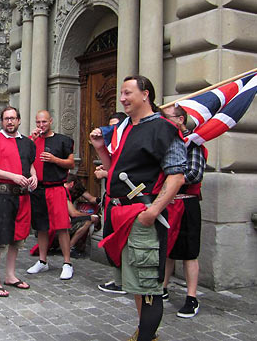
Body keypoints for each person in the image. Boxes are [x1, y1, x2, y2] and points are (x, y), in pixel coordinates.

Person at [90, 75, 186, 341]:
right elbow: (114, 171)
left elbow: (177, 175)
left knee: (148, 285)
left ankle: (146, 337)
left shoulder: (164, 128)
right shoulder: (126, 128)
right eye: (121, 93)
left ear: (146, 94)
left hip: (141, 215)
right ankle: (145, 334)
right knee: (135, 283)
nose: (122, 98)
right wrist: (101, 148)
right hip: (121, 214)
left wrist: (152, 212)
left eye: (128, 93)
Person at [0, 106, 37, 297]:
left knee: (17, 238)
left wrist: (34, 176)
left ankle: (10, 275)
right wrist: (12, 176)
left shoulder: (28, 143)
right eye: (6, 118)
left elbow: (30, 166)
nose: (10, 122)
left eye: (13, 118)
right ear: (2, 121)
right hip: (2, 196)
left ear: (19, 120)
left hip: (22, 197)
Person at [161, 105, 207, 318]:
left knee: (189, 252)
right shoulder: (166, 141)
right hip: (167, 203)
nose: (163, 121)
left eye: (167, 117)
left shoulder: (193, 142)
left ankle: (191, 297)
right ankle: (163, 288)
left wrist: (169, 182)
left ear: (180, 119)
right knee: (167, 248)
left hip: (186, 202)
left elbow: (194, 173)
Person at [26, 110, 76, 280]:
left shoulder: (63, 140)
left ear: (51, 121)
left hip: (56, 187)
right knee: (41, 227)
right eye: (38, 122)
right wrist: (30, 140)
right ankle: (42, 260)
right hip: (38, 188)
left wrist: (55, 160)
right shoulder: (32, 141)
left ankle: (67, 263)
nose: (41, 126)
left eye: (44, 122)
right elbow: (22, 157)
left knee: (62, 226)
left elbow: (71, 163)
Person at [96, 112, 128, 295]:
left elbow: (128, 174)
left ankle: (126, 282)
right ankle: (119, 280)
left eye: (115, 127)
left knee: (123, 242)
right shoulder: (112, 145)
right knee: (111, 240)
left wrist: (106, 174)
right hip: (111, 200)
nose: (111, 131)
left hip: (126, 203)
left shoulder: (128, 146)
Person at [63, 174, 100, 258]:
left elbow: (91, 198)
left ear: (71, 184)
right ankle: (69, 248)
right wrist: (91, 216)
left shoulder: (77, 188)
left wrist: (100, 200)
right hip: (59, 228)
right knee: (88, 220)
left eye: (65, 183)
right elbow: (74, 213)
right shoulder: (63, 191)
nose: (63, 185)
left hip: (64, 221)